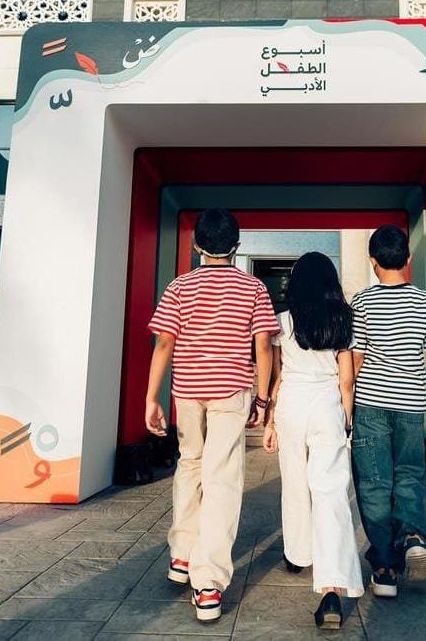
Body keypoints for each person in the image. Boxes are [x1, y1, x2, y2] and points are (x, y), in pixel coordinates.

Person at [144, 208, 279, 623]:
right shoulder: (253, 287)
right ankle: (208, 584)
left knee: (190, 465)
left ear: (196, 244)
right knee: (222, 478)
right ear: (236, 246)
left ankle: (182, 556)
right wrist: (262, 399)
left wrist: (151, 398)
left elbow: (164, 343)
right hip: (231, 391)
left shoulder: (179, 286)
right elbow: (263, 346)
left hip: (187, 391)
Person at [262, 252, 364, 630]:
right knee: (331, 492)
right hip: (327, 405)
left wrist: (270, 420)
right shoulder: (343, 319)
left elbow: (278, 376)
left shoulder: (282, 321)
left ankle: (298, 554)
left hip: (292, 405)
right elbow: (346, 379)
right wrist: (347, 419)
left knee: (294, 484)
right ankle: (331, 586)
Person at [349, 224, 426, 598]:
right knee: (409, 474)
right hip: (410, 405)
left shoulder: (361, 302)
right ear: (408, 259)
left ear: (372, 261)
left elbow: (356, 358)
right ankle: (413, 539)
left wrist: (346, 403)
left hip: (370, 404)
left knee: (375, 483)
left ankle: (385, 570)